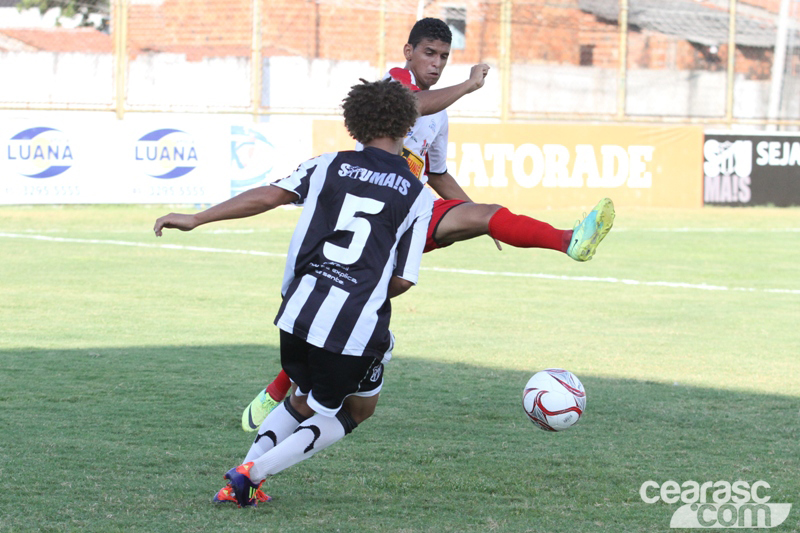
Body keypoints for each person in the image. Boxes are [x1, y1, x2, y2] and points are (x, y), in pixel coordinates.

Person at [241, 17, 616, 433]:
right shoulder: (394, 86)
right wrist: (470, 85)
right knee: (345, 308)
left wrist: (480, 218)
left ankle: (569, 240)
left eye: (444, 57)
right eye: (429, 53)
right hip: (372, 217)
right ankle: (280, 387)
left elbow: (436, 173)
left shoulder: (439, 111)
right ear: (408, 52)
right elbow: (416, 105)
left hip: (411, 210)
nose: (436, 63)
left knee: (489, 212)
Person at [154, 78, 433, 507]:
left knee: (301, 398)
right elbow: (403, 278)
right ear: (407, 124)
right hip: (351, 327)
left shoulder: (327, 165)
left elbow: (267, 195)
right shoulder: (416, 194)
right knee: (355, 410)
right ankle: (252, 474)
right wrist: (363, 291)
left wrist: (197, 218)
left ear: (355, 125)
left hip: (297, 313)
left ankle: (236, 487)